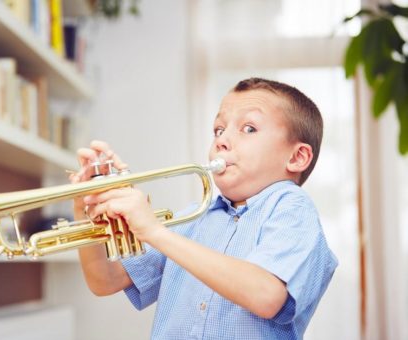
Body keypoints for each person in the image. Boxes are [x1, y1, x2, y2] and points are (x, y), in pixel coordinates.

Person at [69, 77, 338, 339]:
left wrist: (154, 231)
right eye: (219, 130)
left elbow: (266, 295)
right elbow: (105, 281)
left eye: (249, 129)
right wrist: (86, 208)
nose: (221, 140)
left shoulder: (292, 208)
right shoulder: (193, 217)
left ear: (297, 157)